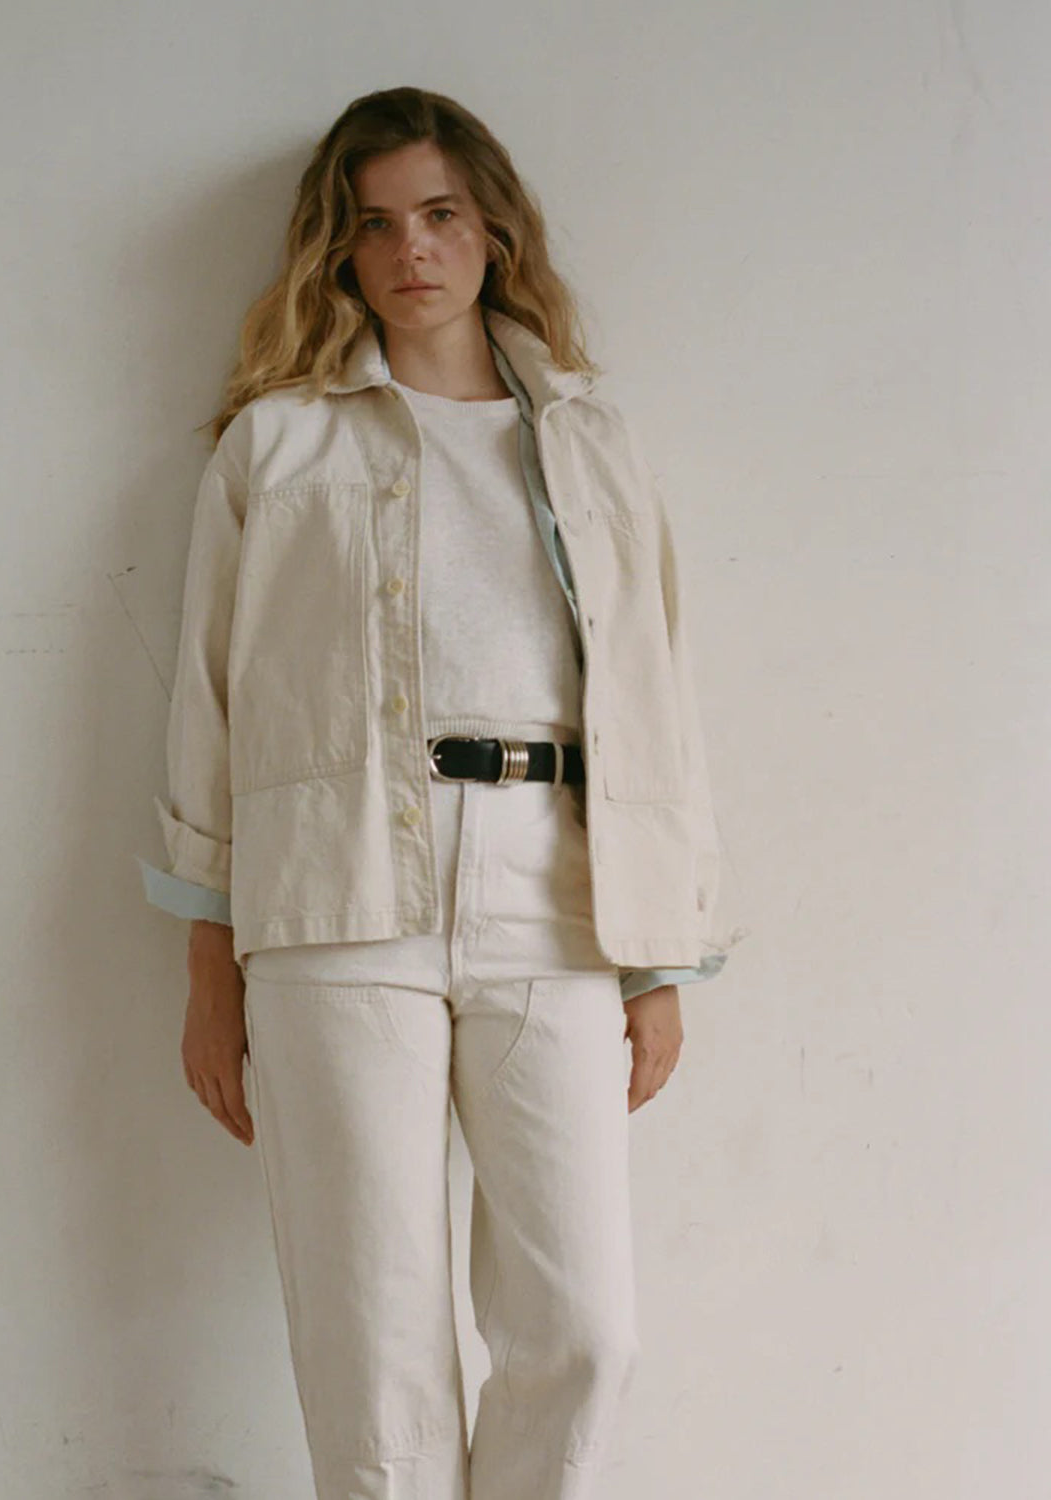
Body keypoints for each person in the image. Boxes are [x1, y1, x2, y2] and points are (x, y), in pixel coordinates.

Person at [136, 84, 745, 1500]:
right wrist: (209, 963)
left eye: (440, 214)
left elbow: (654, 695)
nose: (411, 249)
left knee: (585, 1334)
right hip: (336, 897)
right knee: (376, 1349)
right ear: (338, 252)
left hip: (555, 894)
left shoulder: (591, 440)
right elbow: (208, 710)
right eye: (375, 225)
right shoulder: (277, 444)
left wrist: (659, 957)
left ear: (492, 230)